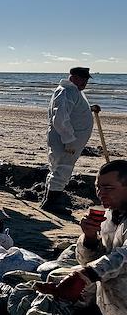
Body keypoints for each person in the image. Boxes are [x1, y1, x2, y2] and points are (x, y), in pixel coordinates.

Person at [38, 160, 127, 315]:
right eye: (98, 187)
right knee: (55, 276)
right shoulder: (109, 216)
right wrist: (89, 238)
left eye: (109, 188)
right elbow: (94, 260)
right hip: (113, 289)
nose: (101, 193)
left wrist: (84, 276)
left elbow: (122, 258)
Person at [42, 67, 96, 213]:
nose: (85, 82)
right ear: (73, 78)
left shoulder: (72, 91)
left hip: (64, 138)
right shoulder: (68, 91)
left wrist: (89, 109)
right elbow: (60, 118)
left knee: (57, 167)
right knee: (62, 168)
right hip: (64, 139)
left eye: (86, 80)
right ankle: (52, 203)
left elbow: (71, 111)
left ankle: (48, 200)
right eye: (82, 79)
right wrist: (69, 140)